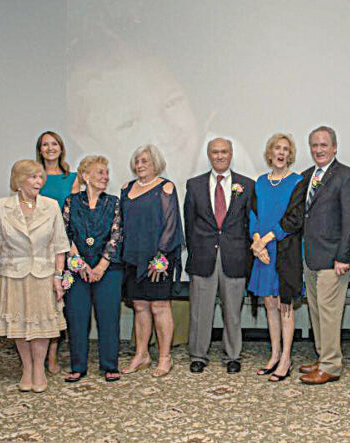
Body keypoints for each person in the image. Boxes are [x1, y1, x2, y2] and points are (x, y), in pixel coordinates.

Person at [0, 160, 70, 393]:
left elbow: (60, 245)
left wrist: (58, 276)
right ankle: (27, 368)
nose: (38, 182)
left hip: (43, 274)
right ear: (19, 181)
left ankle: (39, 370)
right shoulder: (2, 206)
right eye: (33, 177)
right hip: (14, 274)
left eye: (40, 177)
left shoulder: (51, 206)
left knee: (42, 327)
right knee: (19, 325)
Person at [184, 138, 255, 375]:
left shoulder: (247, 185)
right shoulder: (194, 185)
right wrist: (197, 251)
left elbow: (248, 224)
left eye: (224, 152)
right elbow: (189, 224)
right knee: (199, 312)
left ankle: (233, 355)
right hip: (203, 257)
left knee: (233, 311)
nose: (220, 156)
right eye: (215, 152)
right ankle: (198, 355)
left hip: (234, 257)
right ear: (209, 155)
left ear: (231, 154)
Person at [297, 126, 350, 385]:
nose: (319, 150)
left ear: (335, 147)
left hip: (334, 258)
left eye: (324, 145)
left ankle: (331, 366)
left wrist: (344, 256)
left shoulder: (346, 176)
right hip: (310, 256)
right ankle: (323, 357)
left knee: (330, 313)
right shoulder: (306, 176)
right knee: (316, 311)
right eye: (314, 145)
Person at [120, 145, 182, 378]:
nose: (140, 164)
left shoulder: (165, 187)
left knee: (159, 306)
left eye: (145, 160)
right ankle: (141, 354)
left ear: (156, 163)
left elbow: (171, 224)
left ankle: (165, 357)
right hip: (133, 257)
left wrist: (161, 256)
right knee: (139, 306)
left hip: (158, 259)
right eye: (137, 160)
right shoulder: (126, 189)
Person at [61, 155, 123, 383]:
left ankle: (110, 365)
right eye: (100, 172)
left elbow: (116, 236)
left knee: (108, 317)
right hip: (78, 270)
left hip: (109, 270)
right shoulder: (71, 202)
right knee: (77, 317)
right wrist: (81, 265)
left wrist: (100, 266)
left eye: (106, 173)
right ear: (86, 176)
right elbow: (65, 235)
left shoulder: (114, 202)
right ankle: (77, 366)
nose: (105, 177)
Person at [247, 134, 303, 381]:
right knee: (269, 303)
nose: (281, 153)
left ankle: (287, 358)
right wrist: (256, 242)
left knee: (284, 304)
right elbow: (252, 215)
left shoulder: (297, 182)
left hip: (284, 250)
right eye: (277, 148)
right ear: (270, 153)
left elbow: (294, 219)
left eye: (285, 149)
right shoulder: (259, 182)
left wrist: (266, 240)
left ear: (290, 155)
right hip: (262, 251)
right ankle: (275, 354)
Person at [35, 130, 79, 374]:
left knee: (58, 303)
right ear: (39, 150)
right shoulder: (34, 176)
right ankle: (34, 357)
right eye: (45, 145)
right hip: (36, 249)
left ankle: (52, 356)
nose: (50, 148)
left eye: (54, 144)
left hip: (62, 247)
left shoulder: (71, 178)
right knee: (38, 303)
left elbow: (73, 216)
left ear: (61, 148)